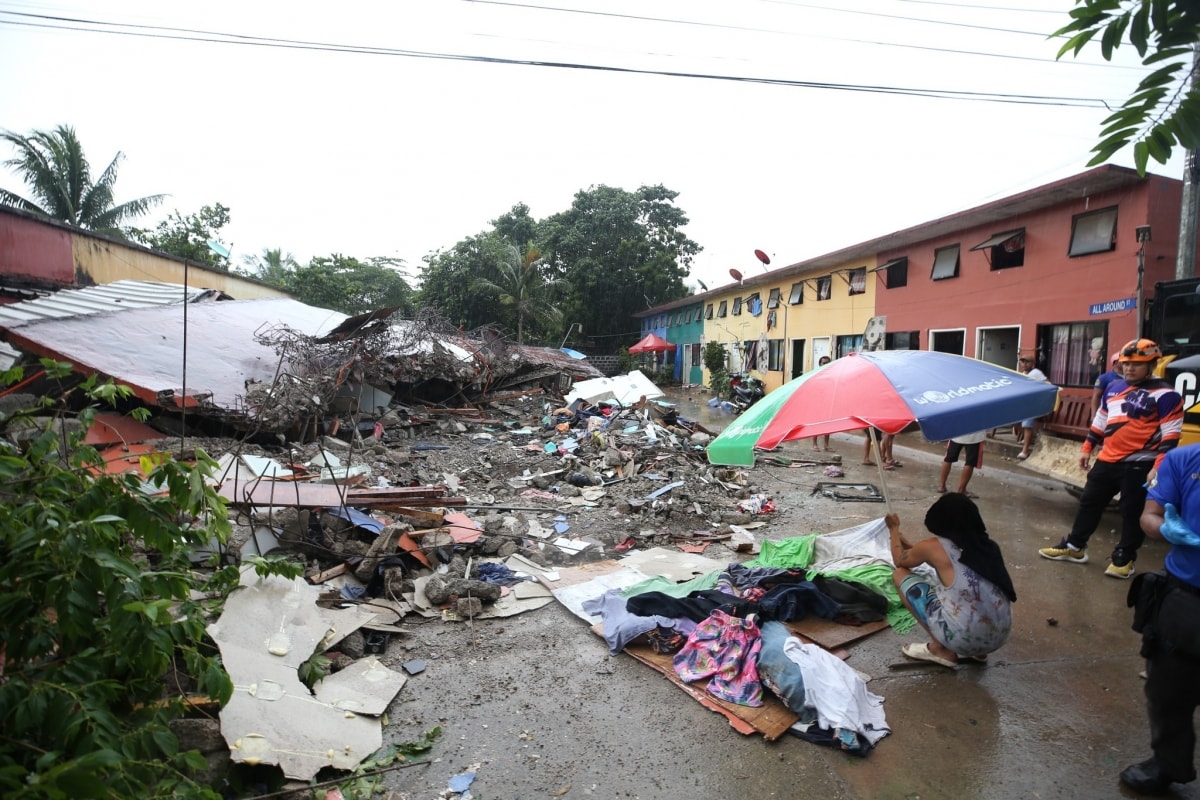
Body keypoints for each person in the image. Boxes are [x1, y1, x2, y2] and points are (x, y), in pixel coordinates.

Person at [1038, 338, 1183, 579]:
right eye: (1126, 363)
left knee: (1132, 510)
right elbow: (1101, 421)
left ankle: (1124, 558)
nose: (1129, 368)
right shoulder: (1114, 388)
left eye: (1136, 364)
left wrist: (1157, 467)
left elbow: (1171, 435)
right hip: (1107, 459)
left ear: (1152, 364)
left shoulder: (1167, 395)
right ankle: (1075, 547)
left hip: (1141, 463)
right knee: (1089, 502)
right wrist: (1087, 448)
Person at [1119, 443, 1200, 794]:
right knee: (1167, 687)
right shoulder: (1185, 459)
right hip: (1185, 595)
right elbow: (1148, 517)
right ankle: (1168, 762)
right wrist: (1166, 528)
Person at [887, 493, 1016, 667]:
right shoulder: (987, 546)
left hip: (963, 641)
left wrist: (894, 530)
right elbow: (934, 556)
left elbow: (900, 561)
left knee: (900, 575)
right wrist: (909, 544)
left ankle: (941, 648)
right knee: (978, 595)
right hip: (998, 638)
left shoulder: (933, 547)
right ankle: (980, 652)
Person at [1015, 354, 1048, 460]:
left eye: (1027, 362)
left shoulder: (1036, 373)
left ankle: (1025, 450)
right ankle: (1029, 438)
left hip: (1034, 404)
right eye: (1022, 362)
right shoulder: (1023, 374)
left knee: (1027, 425)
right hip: (1025, 403)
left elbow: (1048, 383)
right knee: (1014, 421)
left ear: (1032, 363)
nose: (1024, 364)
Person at [937, 430, 986, 498]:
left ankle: (941, 486)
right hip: (975, 436)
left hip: (956, 433)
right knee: (970, 463)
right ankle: (961, 490)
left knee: (948, 459)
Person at [808, 356, 834, 452]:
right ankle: (815, 444)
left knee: (828, 424)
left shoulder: (831, 375)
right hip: (817, 403)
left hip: (828, 402)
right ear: (820, 364)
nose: (826, 364)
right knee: (816, 424)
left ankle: (826, 445)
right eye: (824, 363)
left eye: (828, 362)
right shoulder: (816, 375)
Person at [1091, 351, 1122, 420]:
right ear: (1115, 363)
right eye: (1122, 360)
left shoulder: (1130, 378)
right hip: (1107, 413)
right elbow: (1096, 396)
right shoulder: (1104, 378)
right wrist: (1093, 415)